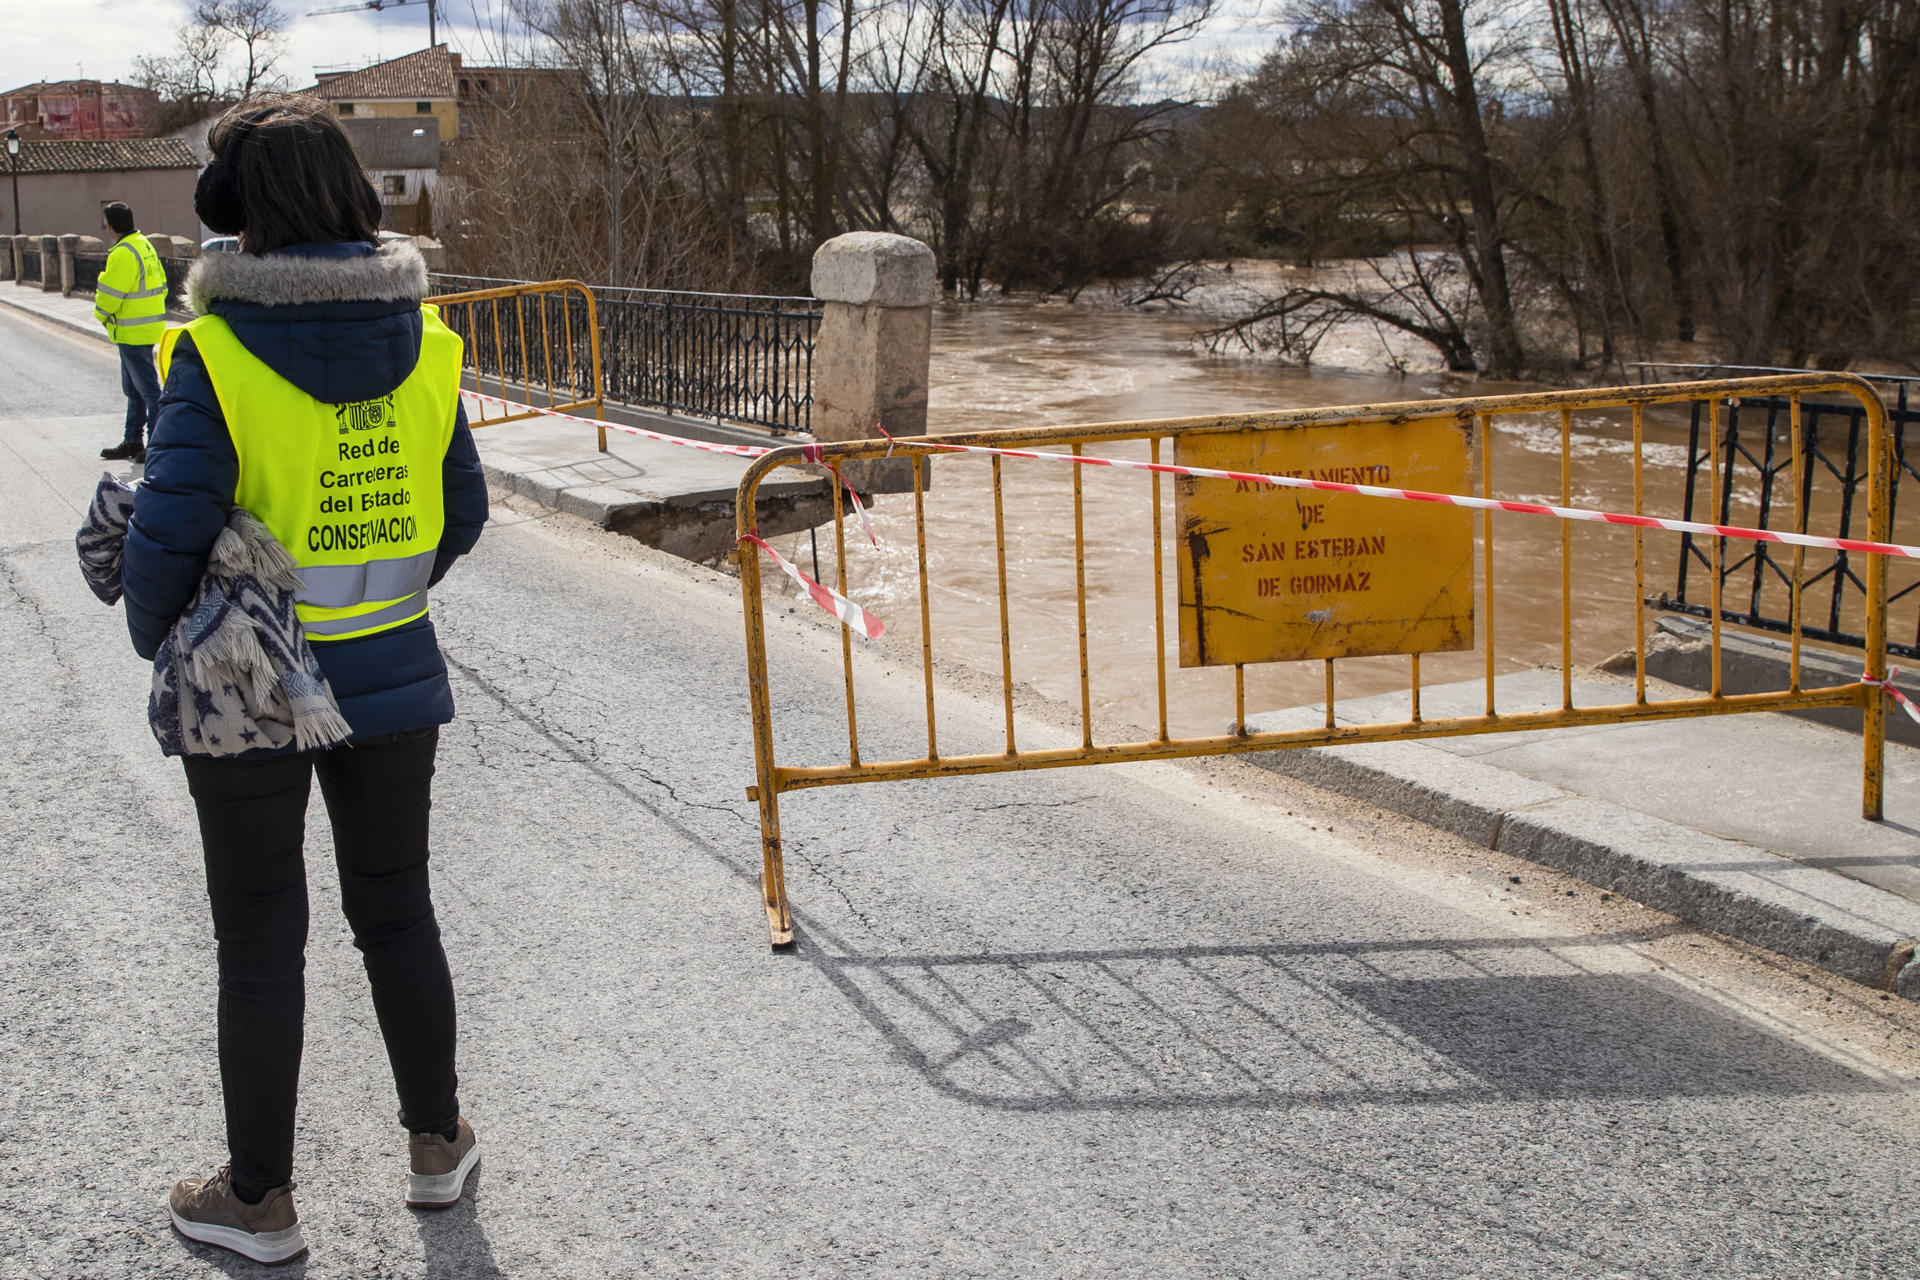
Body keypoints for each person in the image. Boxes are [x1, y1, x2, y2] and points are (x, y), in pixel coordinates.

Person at [121, 94, 490, 1266]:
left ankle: (261, 1198)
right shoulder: (431, 349)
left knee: (260, 936)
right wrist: (377, 592)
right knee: (396, 909)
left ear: (239, 217)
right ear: (346, 197)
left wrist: (158, 630)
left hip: (249, 687)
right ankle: (438, 1147)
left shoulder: (213, 353)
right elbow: (462, 512)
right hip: (393, 673)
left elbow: (166, 539)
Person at [93, 201, 167, 462]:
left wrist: (100, 314)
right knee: (134, 390)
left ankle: (157, 445)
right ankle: (133, 441)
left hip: (132, 331)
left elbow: (110, 297)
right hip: (146, 327)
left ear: (110, 226)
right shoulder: (145, 245)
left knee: (148, 391)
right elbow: (163, 285)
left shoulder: (123, 253)